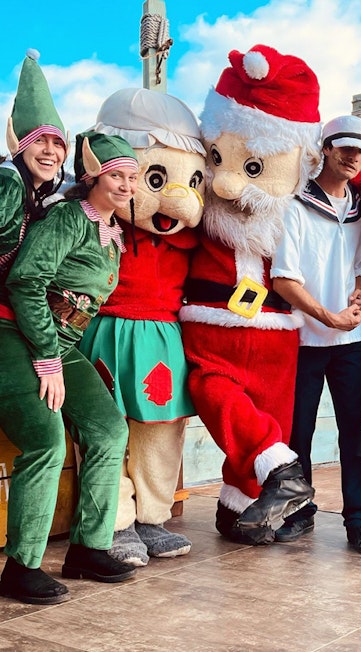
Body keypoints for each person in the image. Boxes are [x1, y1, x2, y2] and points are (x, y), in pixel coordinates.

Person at [180, 45, 319, 545]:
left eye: (253, 169)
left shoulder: (300, 214)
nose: (227, 182)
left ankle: (240, 508)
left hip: (277, 330)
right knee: (212, 391)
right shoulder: (200, 212)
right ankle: (284, 472)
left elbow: (347, 188)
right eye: (217, 159)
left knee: (270, 419)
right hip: (212, 327)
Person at [0, 127, 141, 605]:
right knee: (46, 440)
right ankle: (22, 567)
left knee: (108, 429)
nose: (126, 185)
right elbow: (25, 281)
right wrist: (44, 354)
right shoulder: (68, 218)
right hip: (15, 335)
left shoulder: (110, 231)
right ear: (90, 177)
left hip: (64, 343)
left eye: (132, 177)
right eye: (115, 175)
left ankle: (89, 548)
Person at [77, 88, 206, 567]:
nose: (179, 198)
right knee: (107, 430)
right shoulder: (94, 223)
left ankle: (152, 515)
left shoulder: (191, 241)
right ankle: (115, 520)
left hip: (164, 339)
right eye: (157, 176)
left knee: (161, 432)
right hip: (106, 332)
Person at [271, 114, 361, 555]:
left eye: (360, 150)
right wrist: (327, 316)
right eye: (344, 147)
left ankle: (360, 522)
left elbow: (360, 268)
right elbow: (283, 278)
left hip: (351, 344)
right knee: (296, 433)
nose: (352, 156)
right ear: (326, 148)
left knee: (355, 435)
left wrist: (358, 294)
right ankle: (299, 514)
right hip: (303, 341)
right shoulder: (295, 205)